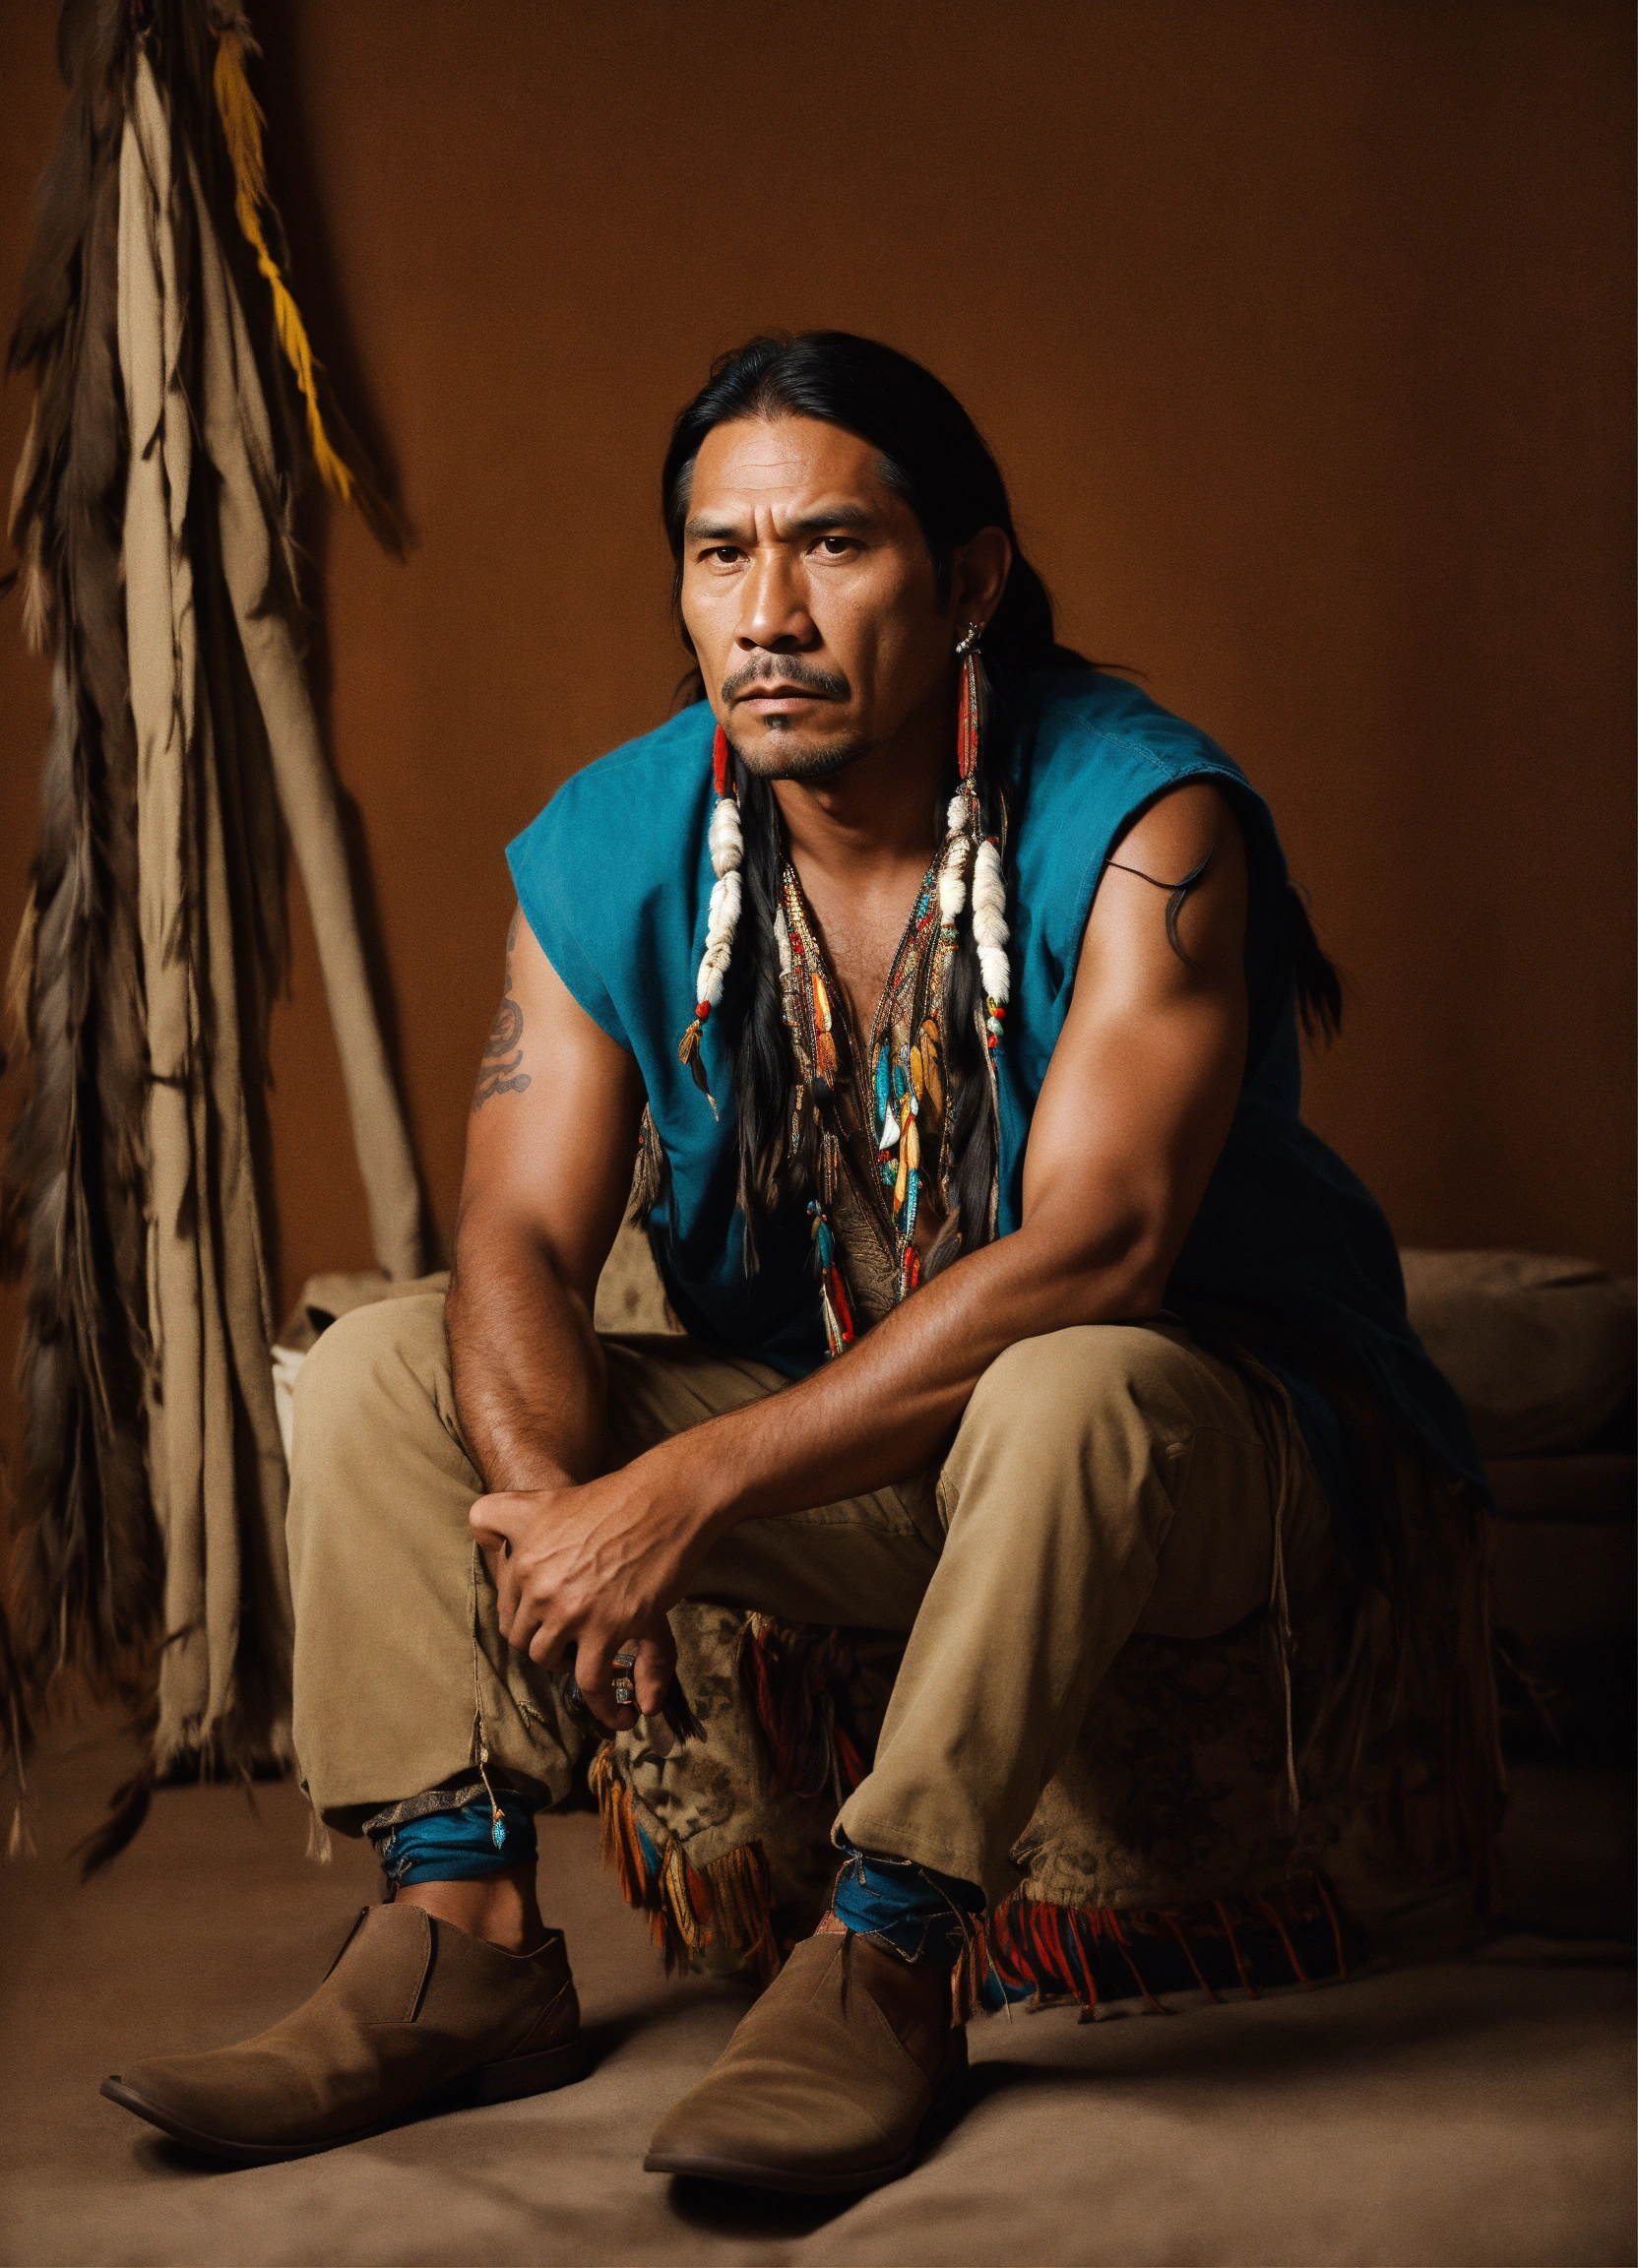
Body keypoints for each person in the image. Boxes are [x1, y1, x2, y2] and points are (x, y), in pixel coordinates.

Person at [100, 333, 1485, 2189]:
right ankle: (458, 1939)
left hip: (1186, 1454)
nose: (766, 614)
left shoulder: (1151, 827)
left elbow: (1101, 1248)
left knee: (1073, 1385)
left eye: (832, 545)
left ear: (969, 577)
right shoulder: (622, 840)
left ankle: (889, 1952)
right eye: (719, 553)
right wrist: (556, 1517)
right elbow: (518, 1230)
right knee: (377, 1362)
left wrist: (680, 1491)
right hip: (848, 1439)